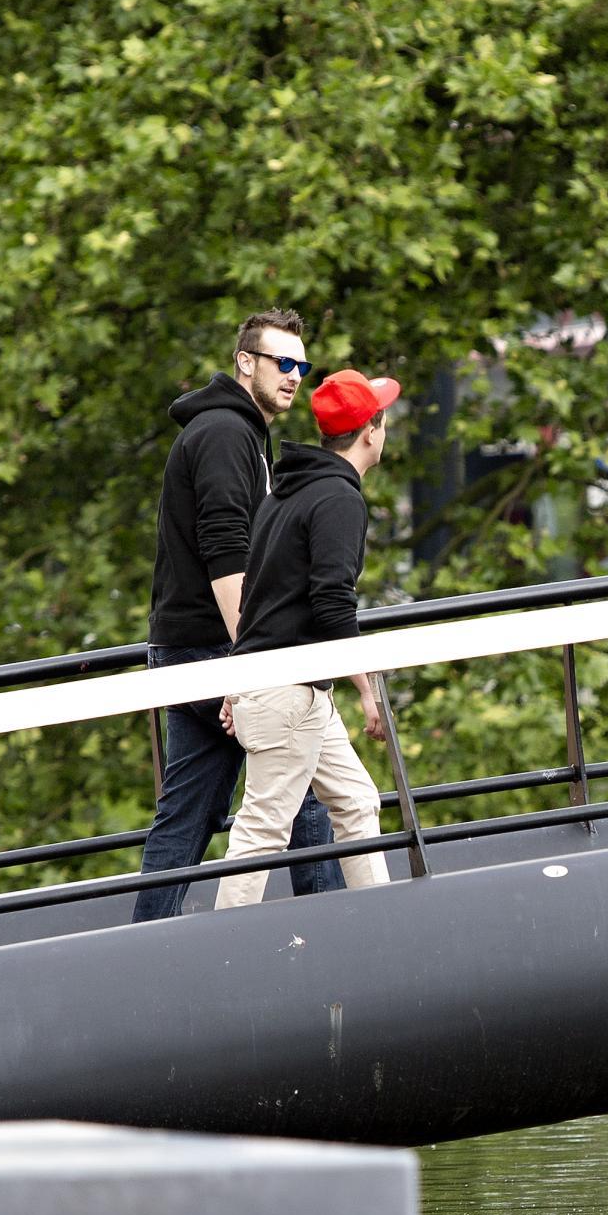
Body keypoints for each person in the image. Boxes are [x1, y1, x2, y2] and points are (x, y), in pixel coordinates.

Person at [131, 311, 344, 922]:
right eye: (283, 362)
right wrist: (252, 664)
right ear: (245, 361)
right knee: (300, 787)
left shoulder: (238, 431)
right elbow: (226, 555)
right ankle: (333, 930)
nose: (295, 376)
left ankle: (146, 947)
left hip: (191, 647)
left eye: (302, 366)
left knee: (189, 812)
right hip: (213, 647)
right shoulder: (227, 433)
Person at [215, 368, 401, 910]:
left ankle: (381, 922)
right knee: (264, 828)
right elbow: (332, 603)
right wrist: (369, 690)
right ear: (370, 431)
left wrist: (237, 679)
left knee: (357, 801)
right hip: (291, 692)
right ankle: (221, 952)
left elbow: (259, 597)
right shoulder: (339, 500)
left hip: (289, 689)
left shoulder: (285, 492)